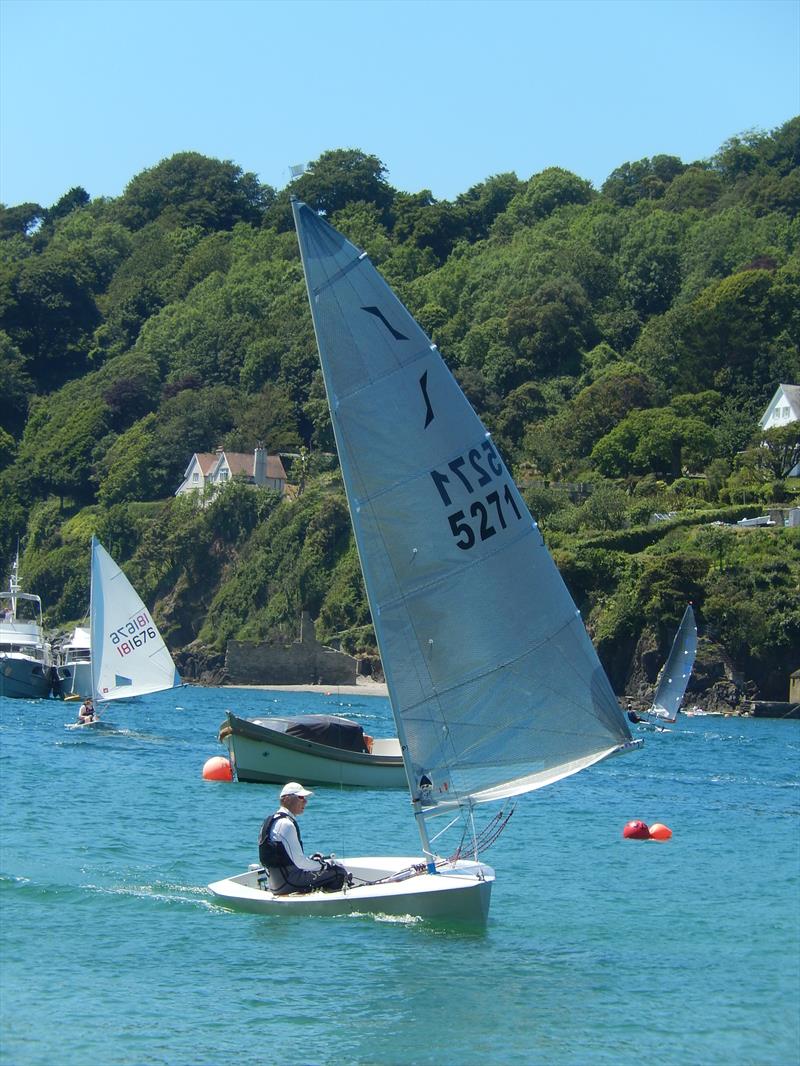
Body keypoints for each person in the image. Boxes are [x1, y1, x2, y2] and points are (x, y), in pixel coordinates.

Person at [258, 782, 350, 895]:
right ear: (286, 799)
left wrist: (312, 861)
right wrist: (324, 865)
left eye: (305, 798)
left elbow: (286, 859)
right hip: (289, 883)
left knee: (321, 866)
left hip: (275, 884)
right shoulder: (286, 824)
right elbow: (300, 863)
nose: (305, 801)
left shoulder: (269, 821)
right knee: (338, 871)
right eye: (301, 797)